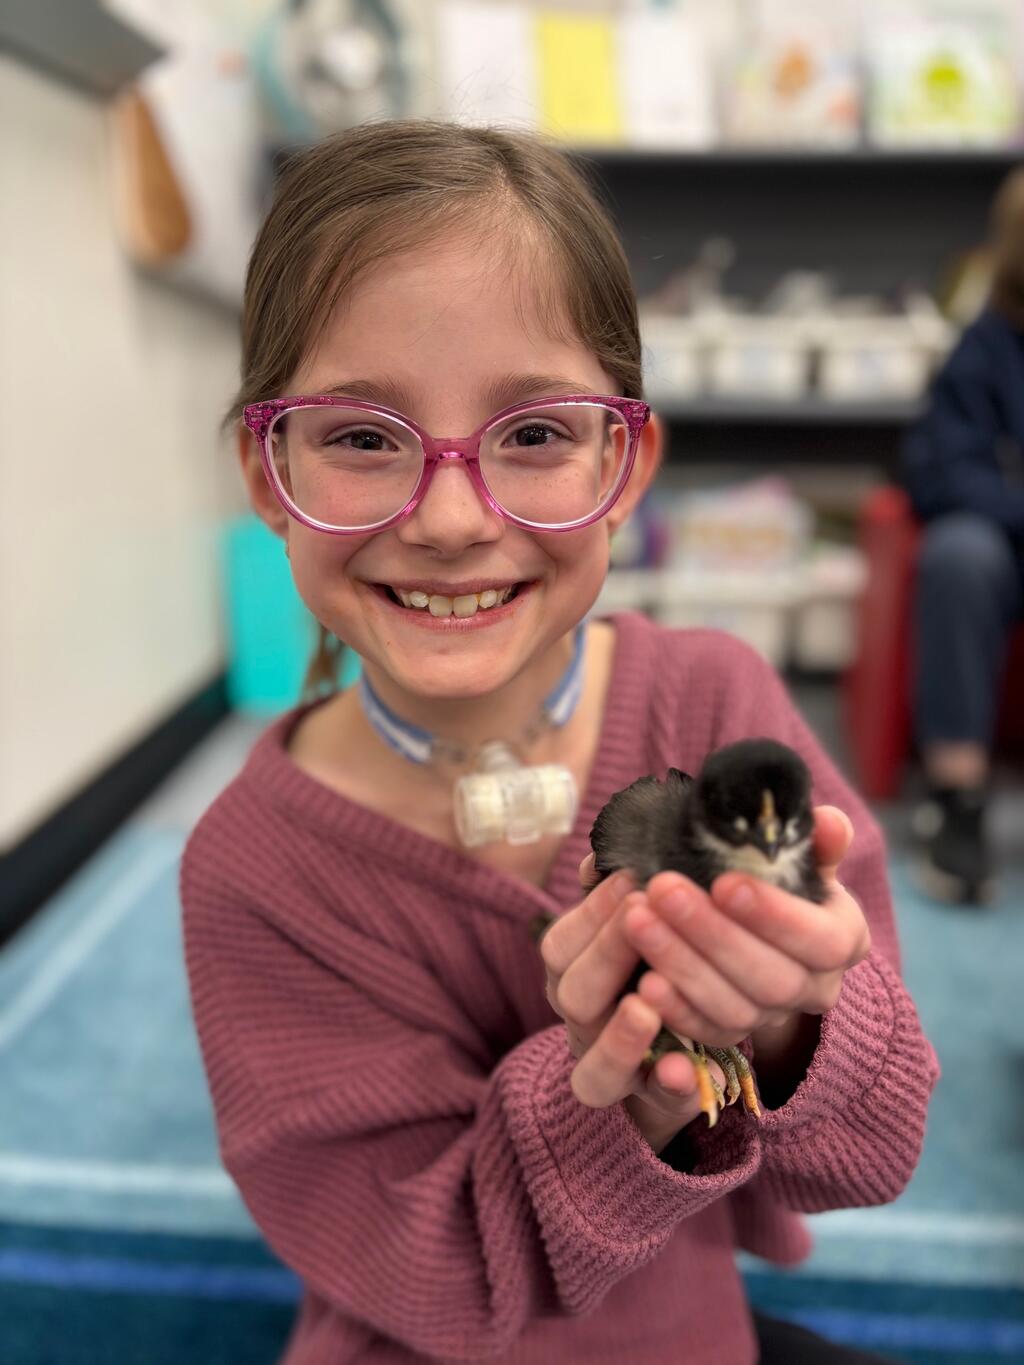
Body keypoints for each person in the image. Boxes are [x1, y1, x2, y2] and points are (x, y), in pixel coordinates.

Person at [181, 121, 938, 1365]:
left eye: (533, 433)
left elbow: (867, 1152)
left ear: (623, 464)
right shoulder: (254, 867)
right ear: (271, 477)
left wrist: (783, 1023)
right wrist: (614, 1095)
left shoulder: (713, 698)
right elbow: (430, 1273)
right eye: (361, 437)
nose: (448, 518)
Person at [903, 166, 1024, 904]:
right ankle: (957, 797)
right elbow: (943, 472)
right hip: (1004, 541)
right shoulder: (984, 349)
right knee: (957, 555)